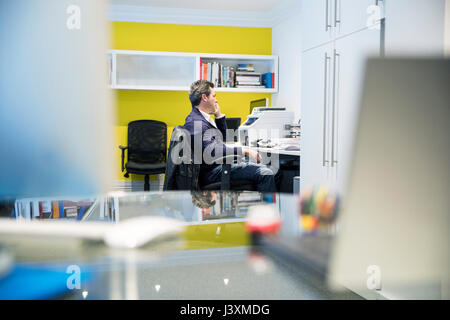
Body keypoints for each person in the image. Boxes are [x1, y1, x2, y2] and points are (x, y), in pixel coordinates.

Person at [183, 80, 277, 192]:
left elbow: (223, 139)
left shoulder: (200, 118)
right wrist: (244, 151)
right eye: (214, 96)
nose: (216, 100)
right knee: (266, 173)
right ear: (204, 97)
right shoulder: (195, 123)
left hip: (217, 167)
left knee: (273, 171)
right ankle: (267, 210)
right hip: (211, 173)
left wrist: (218, 115)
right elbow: (212, 150)